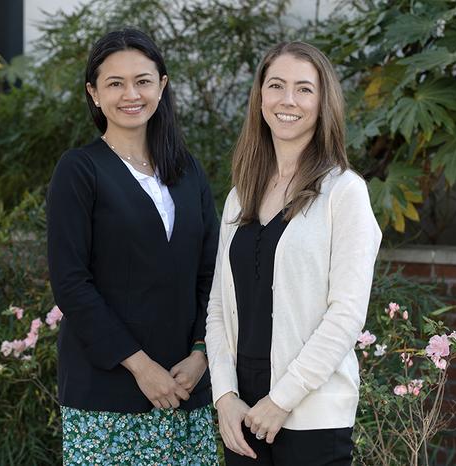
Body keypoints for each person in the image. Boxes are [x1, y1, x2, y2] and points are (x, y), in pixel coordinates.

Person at [47, 29, 219, 465]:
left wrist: (201, 354)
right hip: (106, 392)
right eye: (115, 83)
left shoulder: (187, 171)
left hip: (186, 389)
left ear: (162, 86)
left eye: (143, 80)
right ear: (93, 93)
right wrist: (142, 368)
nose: (131, 94)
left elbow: (213, 272)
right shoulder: (79, 171)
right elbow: (71, 284)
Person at [205, 41, 382, 466]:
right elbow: (216, 307)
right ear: (260, 96)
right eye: (276, 86)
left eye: (304, 89)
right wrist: (225, 395)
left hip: (310, 415)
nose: (288, 100)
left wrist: (281, 400)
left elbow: (345, 314)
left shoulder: (344, 192)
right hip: (242, 414)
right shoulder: (238, 196)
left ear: (323, 103)